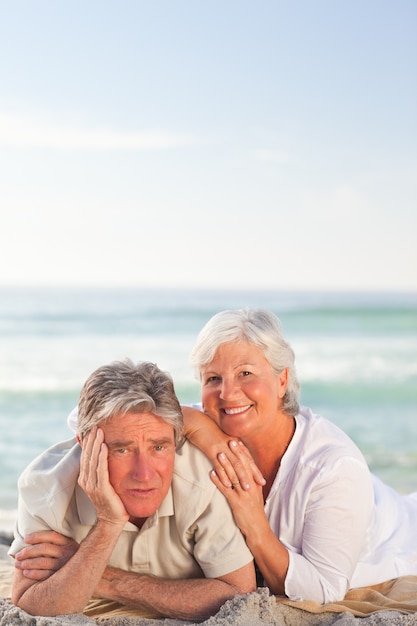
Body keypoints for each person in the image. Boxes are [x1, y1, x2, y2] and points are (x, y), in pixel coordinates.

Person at [180, 308, 417, 603]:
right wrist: (198, 425)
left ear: (282, 381)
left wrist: (252, 519)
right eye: (213, 378)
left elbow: (324, 590)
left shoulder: (333, 467)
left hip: (404, 532)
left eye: (245, 373)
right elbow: (144, 416)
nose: (227, 393)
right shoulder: (209, 423)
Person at [9, 359, 255, 619]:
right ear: (84, 443)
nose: (145, 474)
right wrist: (108, 523)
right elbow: (29, 604)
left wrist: (101, 577)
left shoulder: (203, 477)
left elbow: (239, 594)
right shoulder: (45, 487)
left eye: (159, 447)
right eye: (122, 450)